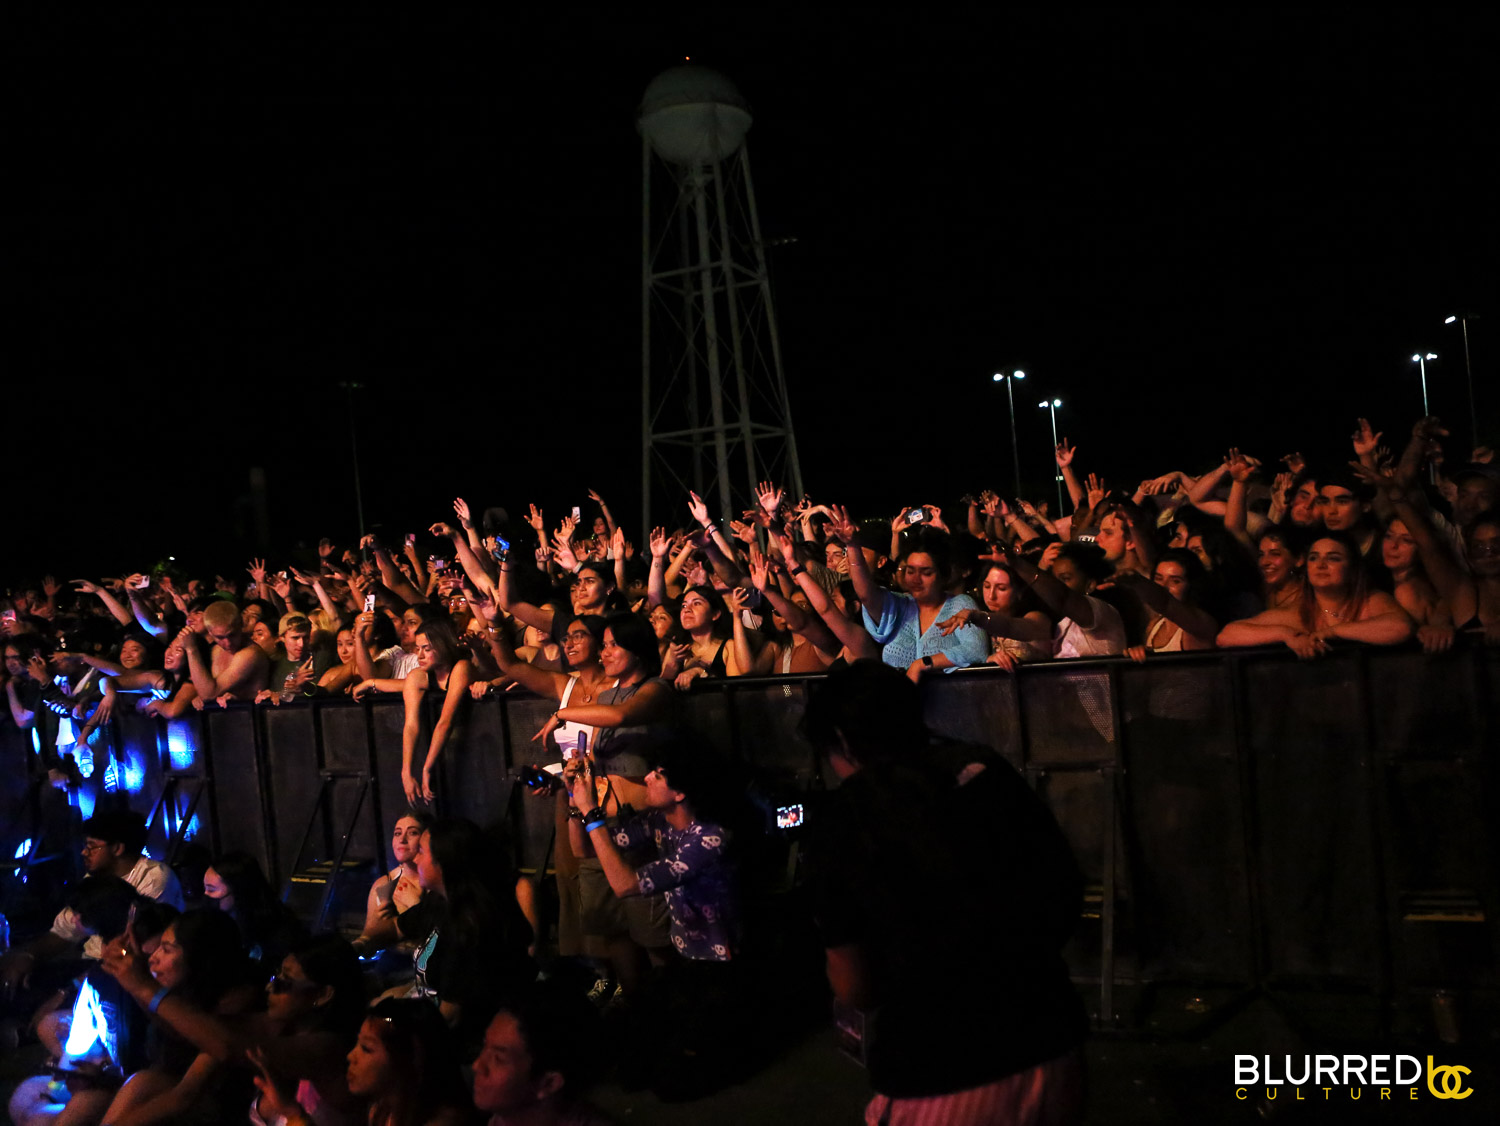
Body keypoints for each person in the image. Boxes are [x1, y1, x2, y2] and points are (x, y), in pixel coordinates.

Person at [800, 661, 1086, 1125]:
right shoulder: (983, 768)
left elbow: (856, 986)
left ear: (843, 741)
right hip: (1054, 1042)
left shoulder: (846, 819)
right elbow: (1064, 893)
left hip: (942, 1070)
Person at [101, 932, 365, 1126]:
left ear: (322, 995)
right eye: (275, 976)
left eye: (285, 982)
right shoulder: (278, 1024)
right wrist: (134, 983)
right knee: (146, 1083)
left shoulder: (328, 1049)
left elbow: (225, 1045)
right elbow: (191, 1033)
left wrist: (146, 988)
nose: (270, 987)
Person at [2, 810, 184, 1004]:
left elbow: (139, 947)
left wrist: (71, 988)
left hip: (120, 971)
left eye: (92, 846)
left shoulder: (153, 878)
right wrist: (28, 955)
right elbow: (64, 931)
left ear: (117, 848)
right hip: (93, 965)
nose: (84, 852)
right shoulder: (96, 878)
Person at [96, 908, 256, 1126]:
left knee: (142, 1084)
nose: (154, 958)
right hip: (171, 1091)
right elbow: (173, 1030)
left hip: (221, 1111)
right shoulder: (189, 990)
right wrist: (135, 981)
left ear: (199, 955)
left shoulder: (237, 1002)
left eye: (166, 949)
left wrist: (142, 986)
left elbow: (184, 1095)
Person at [394, 819, 535, 1051]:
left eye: (421, 851)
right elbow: (395, 926)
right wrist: (361, 943)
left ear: (443, 862)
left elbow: (450, 1016)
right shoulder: (439, 902)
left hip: (471, 1049)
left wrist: (398, 1040)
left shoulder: (471, 926)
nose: (415, 858)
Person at [832, 511, 989, 679]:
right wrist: (852, 546)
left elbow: (976, 650)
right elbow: (865, 595)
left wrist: (922, 664)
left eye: (926, 572)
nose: (916, 579)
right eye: (910, 571)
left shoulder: (959, 604)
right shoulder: (899, 605)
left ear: (943, 575)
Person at [1217, 530, 1414, 656]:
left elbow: (1401, 628)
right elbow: (1227, 636)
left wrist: (1333, 632)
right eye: (1313, 558)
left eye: (1333, 558)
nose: (1320, 565)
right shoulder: (1300, 613)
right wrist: (1286, 634)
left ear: (1353, 568)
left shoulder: (1370, 600)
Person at [354, 618, 472, 806]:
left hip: (472, 740)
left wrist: (426, 768)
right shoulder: (418, 676)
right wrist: (406, 771)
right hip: (447, 746)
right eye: (417, 649)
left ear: (443, 646)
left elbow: (445, 721)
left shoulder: (461, 667)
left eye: (427, 649)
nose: (420, 655)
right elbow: (410, 725)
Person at [471, 984, 609, 1126]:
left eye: (498, 1059)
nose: (476, 1065)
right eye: (484, 1046)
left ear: (549, 1083)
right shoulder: (505, 1116)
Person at [338, 998, 471, 1126]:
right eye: (358, 1043)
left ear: (410, 1059)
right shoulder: (380, 1107)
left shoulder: (442, 1121)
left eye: (366, 1048)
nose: (350, 1056)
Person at [202, 852, 308, 977]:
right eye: (204, 888)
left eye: (211, 889)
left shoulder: (278, 929)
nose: (206, 895)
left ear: (238, 890)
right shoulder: (213, 924)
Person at [352, 815, 428, 957]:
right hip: (396, 961)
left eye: (412, 833)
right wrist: (360, 944)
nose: (402, 840)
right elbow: (370, 936)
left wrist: (414, 903)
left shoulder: (435, 881)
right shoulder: (385, 883)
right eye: (397, 833)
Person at [175, 600, 271, 704]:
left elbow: (209, 694)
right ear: (210, 632)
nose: (228, 643)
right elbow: (207, 691)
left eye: (232, 635)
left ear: (240, 625)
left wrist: (191, 649)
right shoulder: (216, 650)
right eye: (220, 637)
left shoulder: (251, 653)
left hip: (251, 712)